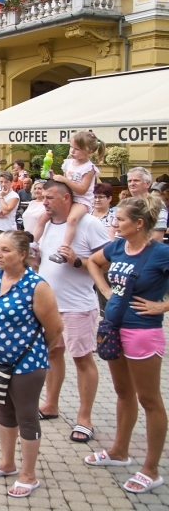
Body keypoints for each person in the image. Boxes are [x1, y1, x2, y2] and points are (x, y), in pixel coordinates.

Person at [86, 195, 169, 494]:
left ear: (139, 223)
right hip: (113, 328)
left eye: (119, 219)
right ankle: (120, 452)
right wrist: (106, 289)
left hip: (144, 332)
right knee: (123, 393)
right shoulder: (119, 246)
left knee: (149, 400)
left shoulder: (160, 253)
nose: (114, 223)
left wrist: (164, 306)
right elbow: (93, 262)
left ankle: (151, 469)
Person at [0, 231, 63, 497]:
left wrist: (36, 351)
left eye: (6, 251)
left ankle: (29, 474)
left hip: (26, 364)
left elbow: (55, 328)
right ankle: (7, 463)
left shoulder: (36, 286)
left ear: (23, 254)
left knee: (26, 416)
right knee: (4, 413)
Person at [34, 179, 109, 443]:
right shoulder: (45, 225)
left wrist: (77, 261)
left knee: (82, 359)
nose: (44, 201)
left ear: (67, 199)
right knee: (53, 354)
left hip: (77, 306)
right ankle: (51, 404)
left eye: (50, 197)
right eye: (43, 197)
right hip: (49, 307)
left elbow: (106, 264)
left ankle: (85, 418)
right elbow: (41, 261)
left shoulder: (89, 224)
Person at [33, 131, 104, 263]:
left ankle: (64, 250)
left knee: (72, 219)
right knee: (43, 217)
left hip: (82, 201)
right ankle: (33, 244)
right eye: (71, 147)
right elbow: (65, 181)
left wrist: (65, 181)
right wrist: (54, 175)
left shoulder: (89, 168)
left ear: (89, 151)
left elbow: (82, 190)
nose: (72, 151)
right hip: (69, 197)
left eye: (77, 149)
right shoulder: (69, 163)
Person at [126, 167, 168, 242]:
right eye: (129, 181)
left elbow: (157, 237)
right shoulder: (126, 204)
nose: (132, 184)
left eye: (136, 180)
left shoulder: (156, 204)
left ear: (148, 184)